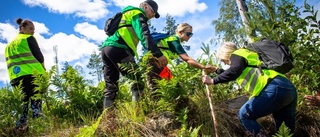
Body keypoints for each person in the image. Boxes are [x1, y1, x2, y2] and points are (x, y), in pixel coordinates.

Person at [202, 42, 297, 136]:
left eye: (222, 59)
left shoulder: (237, 54)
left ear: (225, 53)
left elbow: (234, 70)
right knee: (285, 133)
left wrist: (213, 81)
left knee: (244, 115)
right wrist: (217, 70)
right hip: (287, 88)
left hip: (273, 88)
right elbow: (236, 72)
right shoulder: (246, 55)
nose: (223, 62)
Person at [100, 0, 168, 108]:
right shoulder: (137, 14)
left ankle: (107, 118)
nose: (152, 16)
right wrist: (158, 54)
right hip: (119, 48)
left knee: (111, 85)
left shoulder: (126, 14)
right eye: (153, 12)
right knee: (137, 80)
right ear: (145, 6)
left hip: (106, 49)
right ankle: (138, 111)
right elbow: (145, 36)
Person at [145, 23, 216, 93]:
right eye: (188, 34)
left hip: (159, 64)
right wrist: (203, 67)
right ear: (180, 32)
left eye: (191, 34)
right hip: (155, 63)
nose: (190, 36)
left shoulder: (173, 40)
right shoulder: (174, 40)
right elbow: (187, 59)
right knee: (163, 91)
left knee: (173, 89)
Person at [5, 18, 46, 130]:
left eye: (34, 29)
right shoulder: (28, 38)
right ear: (22, 28)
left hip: (15, 78)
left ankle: (20, 128)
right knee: (36, 102)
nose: (33, 31)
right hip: (31, 75)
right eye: (31, 28)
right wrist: (43, 71)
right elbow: (39, 57)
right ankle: (38, 127)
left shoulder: (8, 46)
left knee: (21, 105)